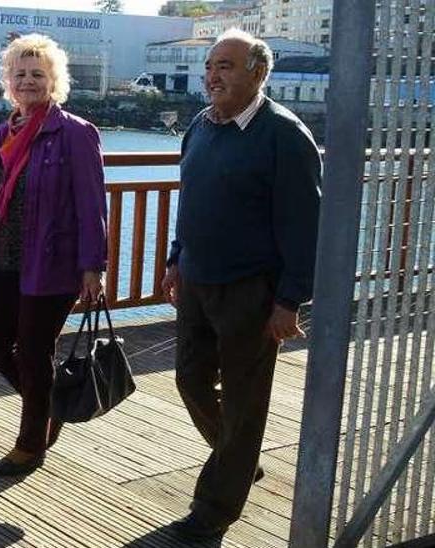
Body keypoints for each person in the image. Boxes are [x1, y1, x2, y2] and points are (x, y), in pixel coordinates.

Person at [162, 28, 321, 540]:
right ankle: (238, 458)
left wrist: (289, 301)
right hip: (197, 280)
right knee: (189, 379)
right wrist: (174, 260)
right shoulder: (201, 127)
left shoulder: (285, 134)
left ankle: (213, 511)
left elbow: (304, 225)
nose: (212, 76)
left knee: (245, 400)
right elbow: (190, 201)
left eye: (225, 66)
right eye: (210, 66)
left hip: (252, 291)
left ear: (258, 72)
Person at [0, 33, 108, 477]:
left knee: (34, 351)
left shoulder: (76, 133)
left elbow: (92, 204)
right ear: (8, 81)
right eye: (19, 74)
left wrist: (92, 266)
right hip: (6, 259)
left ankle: (30, 444)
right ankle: (50, 407)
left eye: (37, 74)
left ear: (54, 81)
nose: (27, 82)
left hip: (54, 262)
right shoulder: (5, 132)